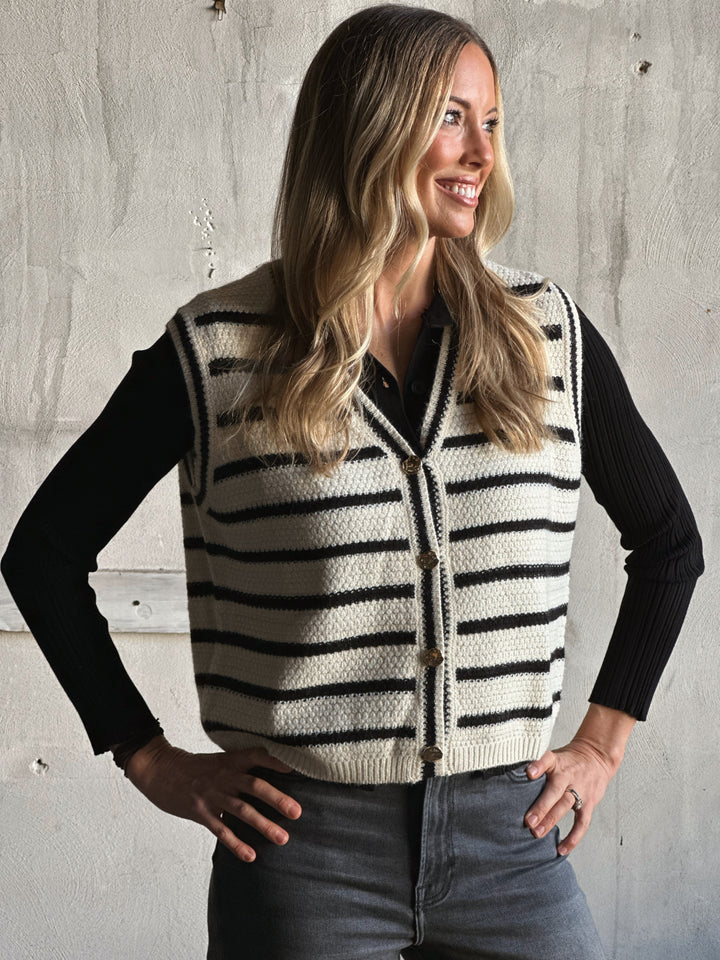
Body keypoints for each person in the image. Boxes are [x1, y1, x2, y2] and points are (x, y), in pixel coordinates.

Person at [1, 5, 704, 959]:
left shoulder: (548, 336)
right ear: (370, 126)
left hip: (513, 838)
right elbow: (41, 556)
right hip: (303, 849)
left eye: (490, 122)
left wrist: (602, 744)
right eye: (451, 117)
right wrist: (151, 760)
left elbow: (670, 543)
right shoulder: (218, 351)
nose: (480, 152)